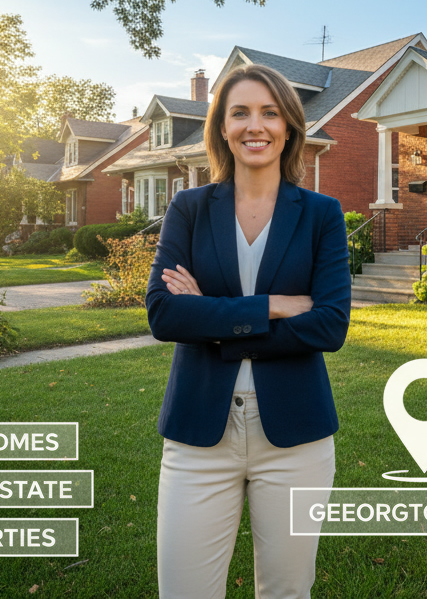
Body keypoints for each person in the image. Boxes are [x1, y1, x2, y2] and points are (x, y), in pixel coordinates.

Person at [147, 63, 352, 599]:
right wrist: (274, 306)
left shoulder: (321, 215)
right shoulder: (189, 209)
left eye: (269, 112)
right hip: (198, 434)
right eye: (239, 112)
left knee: (287, 592)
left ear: (288, 127)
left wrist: (211, 318)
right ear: (220, 127)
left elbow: (329, 326)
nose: (254, 125)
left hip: (296, 437)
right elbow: (165, 315)